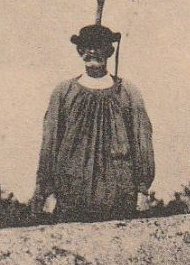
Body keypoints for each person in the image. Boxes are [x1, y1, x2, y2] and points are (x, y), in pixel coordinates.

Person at [32, 23, 155, 223]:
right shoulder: (64, 92)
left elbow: (142, 141)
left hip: (117, 191)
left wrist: (142, 189)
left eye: (99, 46)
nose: (92, 51)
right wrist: (47, 191)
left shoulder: (127, 92)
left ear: (109, 51)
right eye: (87, 46)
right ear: (80, 51)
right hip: (71, 190)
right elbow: (50, 143)